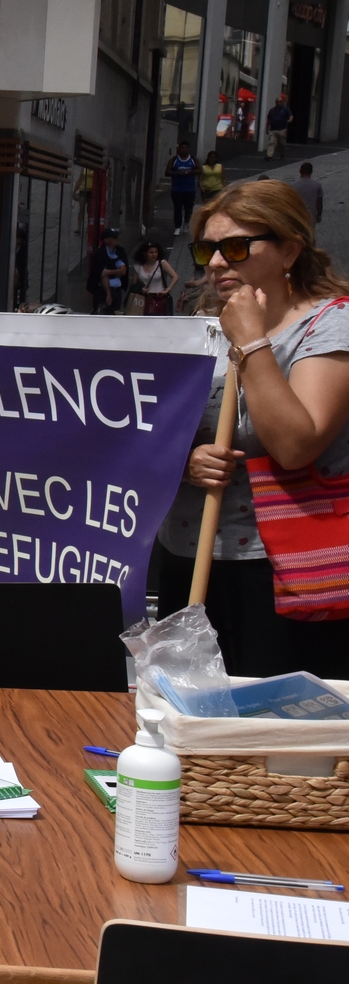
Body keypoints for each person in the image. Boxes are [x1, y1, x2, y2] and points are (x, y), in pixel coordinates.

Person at [157, 179, 349, 678]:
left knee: (271, 727)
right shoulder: (202, 326)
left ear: (289, 249)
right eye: (206, 249)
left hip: (285, 570)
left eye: (237, 247)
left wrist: (252, 341)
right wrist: (185, 462)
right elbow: (153, 433)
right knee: (192, 715)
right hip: (191, 553)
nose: (217, 262)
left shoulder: (331, 327)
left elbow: (295, 445)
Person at [131, 241, 180, 316]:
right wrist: (141, 289)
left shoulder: (162, 263)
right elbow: (134, 284)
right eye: (151, 252)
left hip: (159, 297)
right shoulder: (138, 266)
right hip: (144, 298)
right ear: (145, 253)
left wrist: (167, 290)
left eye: (156, 252)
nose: (154, 255)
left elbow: (175, 277)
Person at [87, 228, 126, 315]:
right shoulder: (100, 254)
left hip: (117, 291)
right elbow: (102, 274)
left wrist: (109, 271)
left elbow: (123, 270)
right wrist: (108, 294)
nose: (117, 239)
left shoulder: (119, 251)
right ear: (106, 240)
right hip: (103, 291)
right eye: (114, 237)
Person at [167, 141, 199, 234]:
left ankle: (186, 223)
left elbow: (199, 170)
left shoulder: (193, 159)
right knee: (177, 208)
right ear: (179, 149)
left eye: (185, 148)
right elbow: (167, 172)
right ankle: (177, 227)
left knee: (188, 208)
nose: (184, 149)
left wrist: (190, 172)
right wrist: (177, 173)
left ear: (188, 149)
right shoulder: (174, 160)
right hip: (177, 189)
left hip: (189, 189)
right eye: (182, 148)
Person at [266, 94, 292, 160]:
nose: (279, 103)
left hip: (282, 129)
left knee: (282, 144)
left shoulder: (285, 109)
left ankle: (282, 154)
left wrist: (290, 120)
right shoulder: (272, 110)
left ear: (282, 102)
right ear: (276, 102)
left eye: (280, 101)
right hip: (273, 129)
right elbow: (268, 120)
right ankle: (269, 155)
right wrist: (267, 128)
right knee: (271, 142)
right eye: (278, 101)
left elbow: (291, 116)